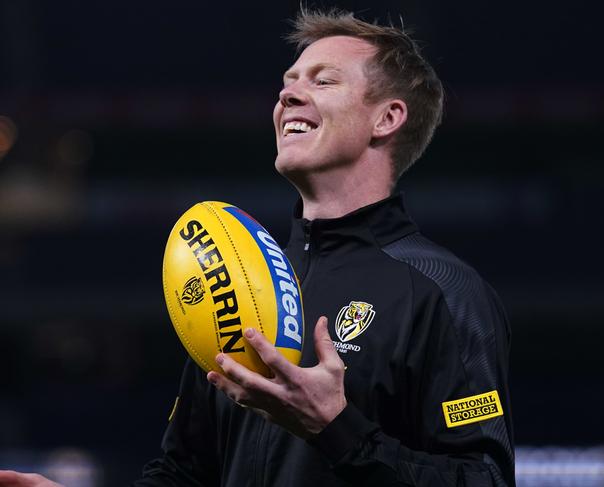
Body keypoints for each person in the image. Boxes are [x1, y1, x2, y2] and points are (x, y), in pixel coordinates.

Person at [0, 8, 515, 487]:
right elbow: (185, 472)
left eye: (323, 80)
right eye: (287, 83)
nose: (288, 96)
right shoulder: (237, 277)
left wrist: (336, 428)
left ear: (386, 119)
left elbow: (485, 479)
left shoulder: (445, 293)